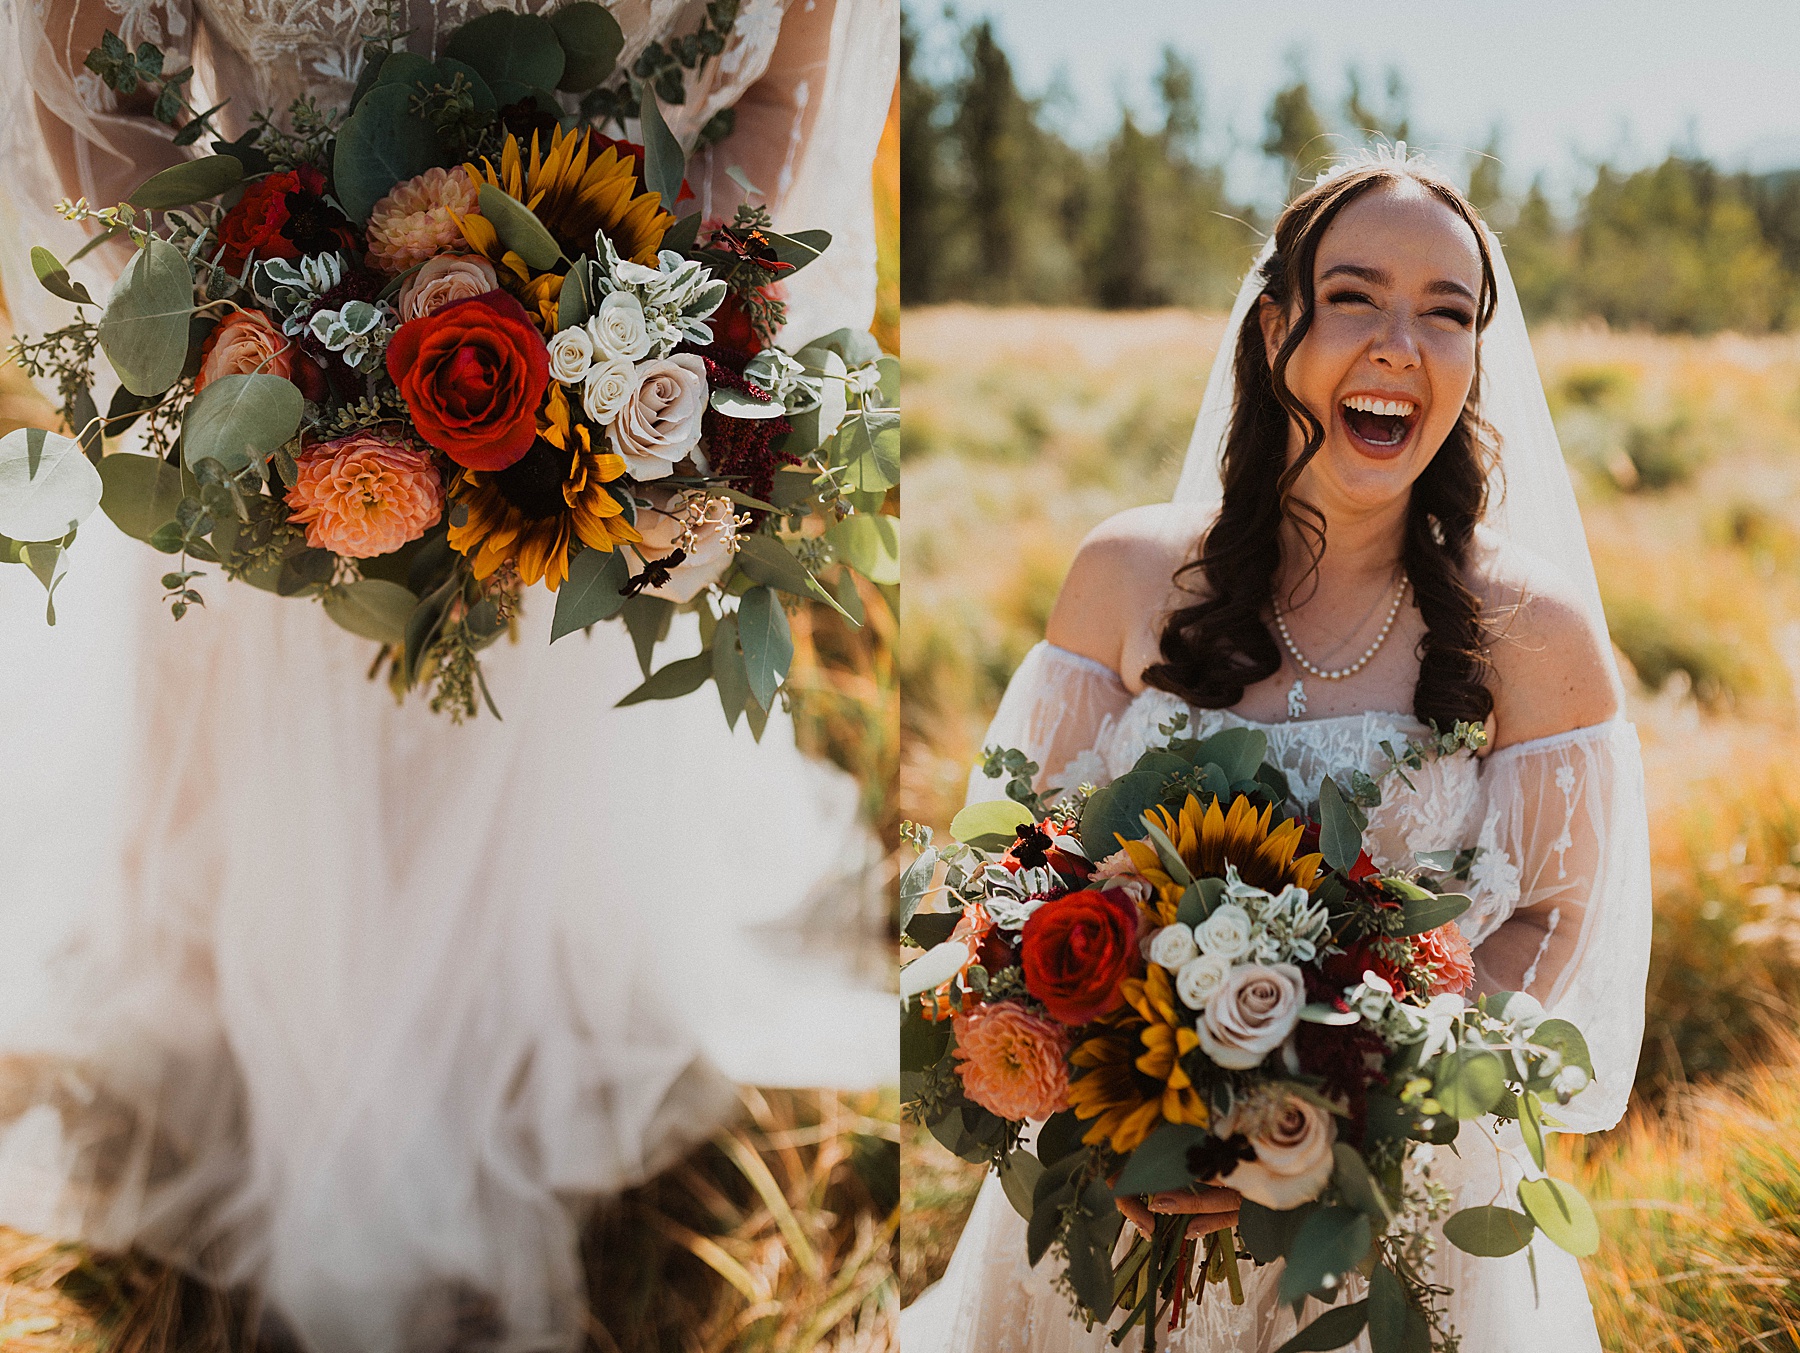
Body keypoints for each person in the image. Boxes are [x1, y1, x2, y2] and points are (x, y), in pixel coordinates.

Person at [0, 1, 897, 1349]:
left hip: (590, 427)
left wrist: (653, 335)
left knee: (537, 841)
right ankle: (239, 1040)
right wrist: (250, 355)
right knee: (252, 853)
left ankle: (527, 1015)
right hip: (270, 404)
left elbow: (791, 91)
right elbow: (84, 77)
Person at [902, 148, 1652, 1352]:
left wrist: (1352, 1107)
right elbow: (1015, 863)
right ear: (1271, 333)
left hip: (1391, 1215)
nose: (1402, 344)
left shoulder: (1535, 629)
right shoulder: (1126, 575)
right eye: (1354, 296)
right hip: (1119, 1191)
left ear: (1475, 362)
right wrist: (1119, 1118)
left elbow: (1558, 913)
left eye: (1446, 315)